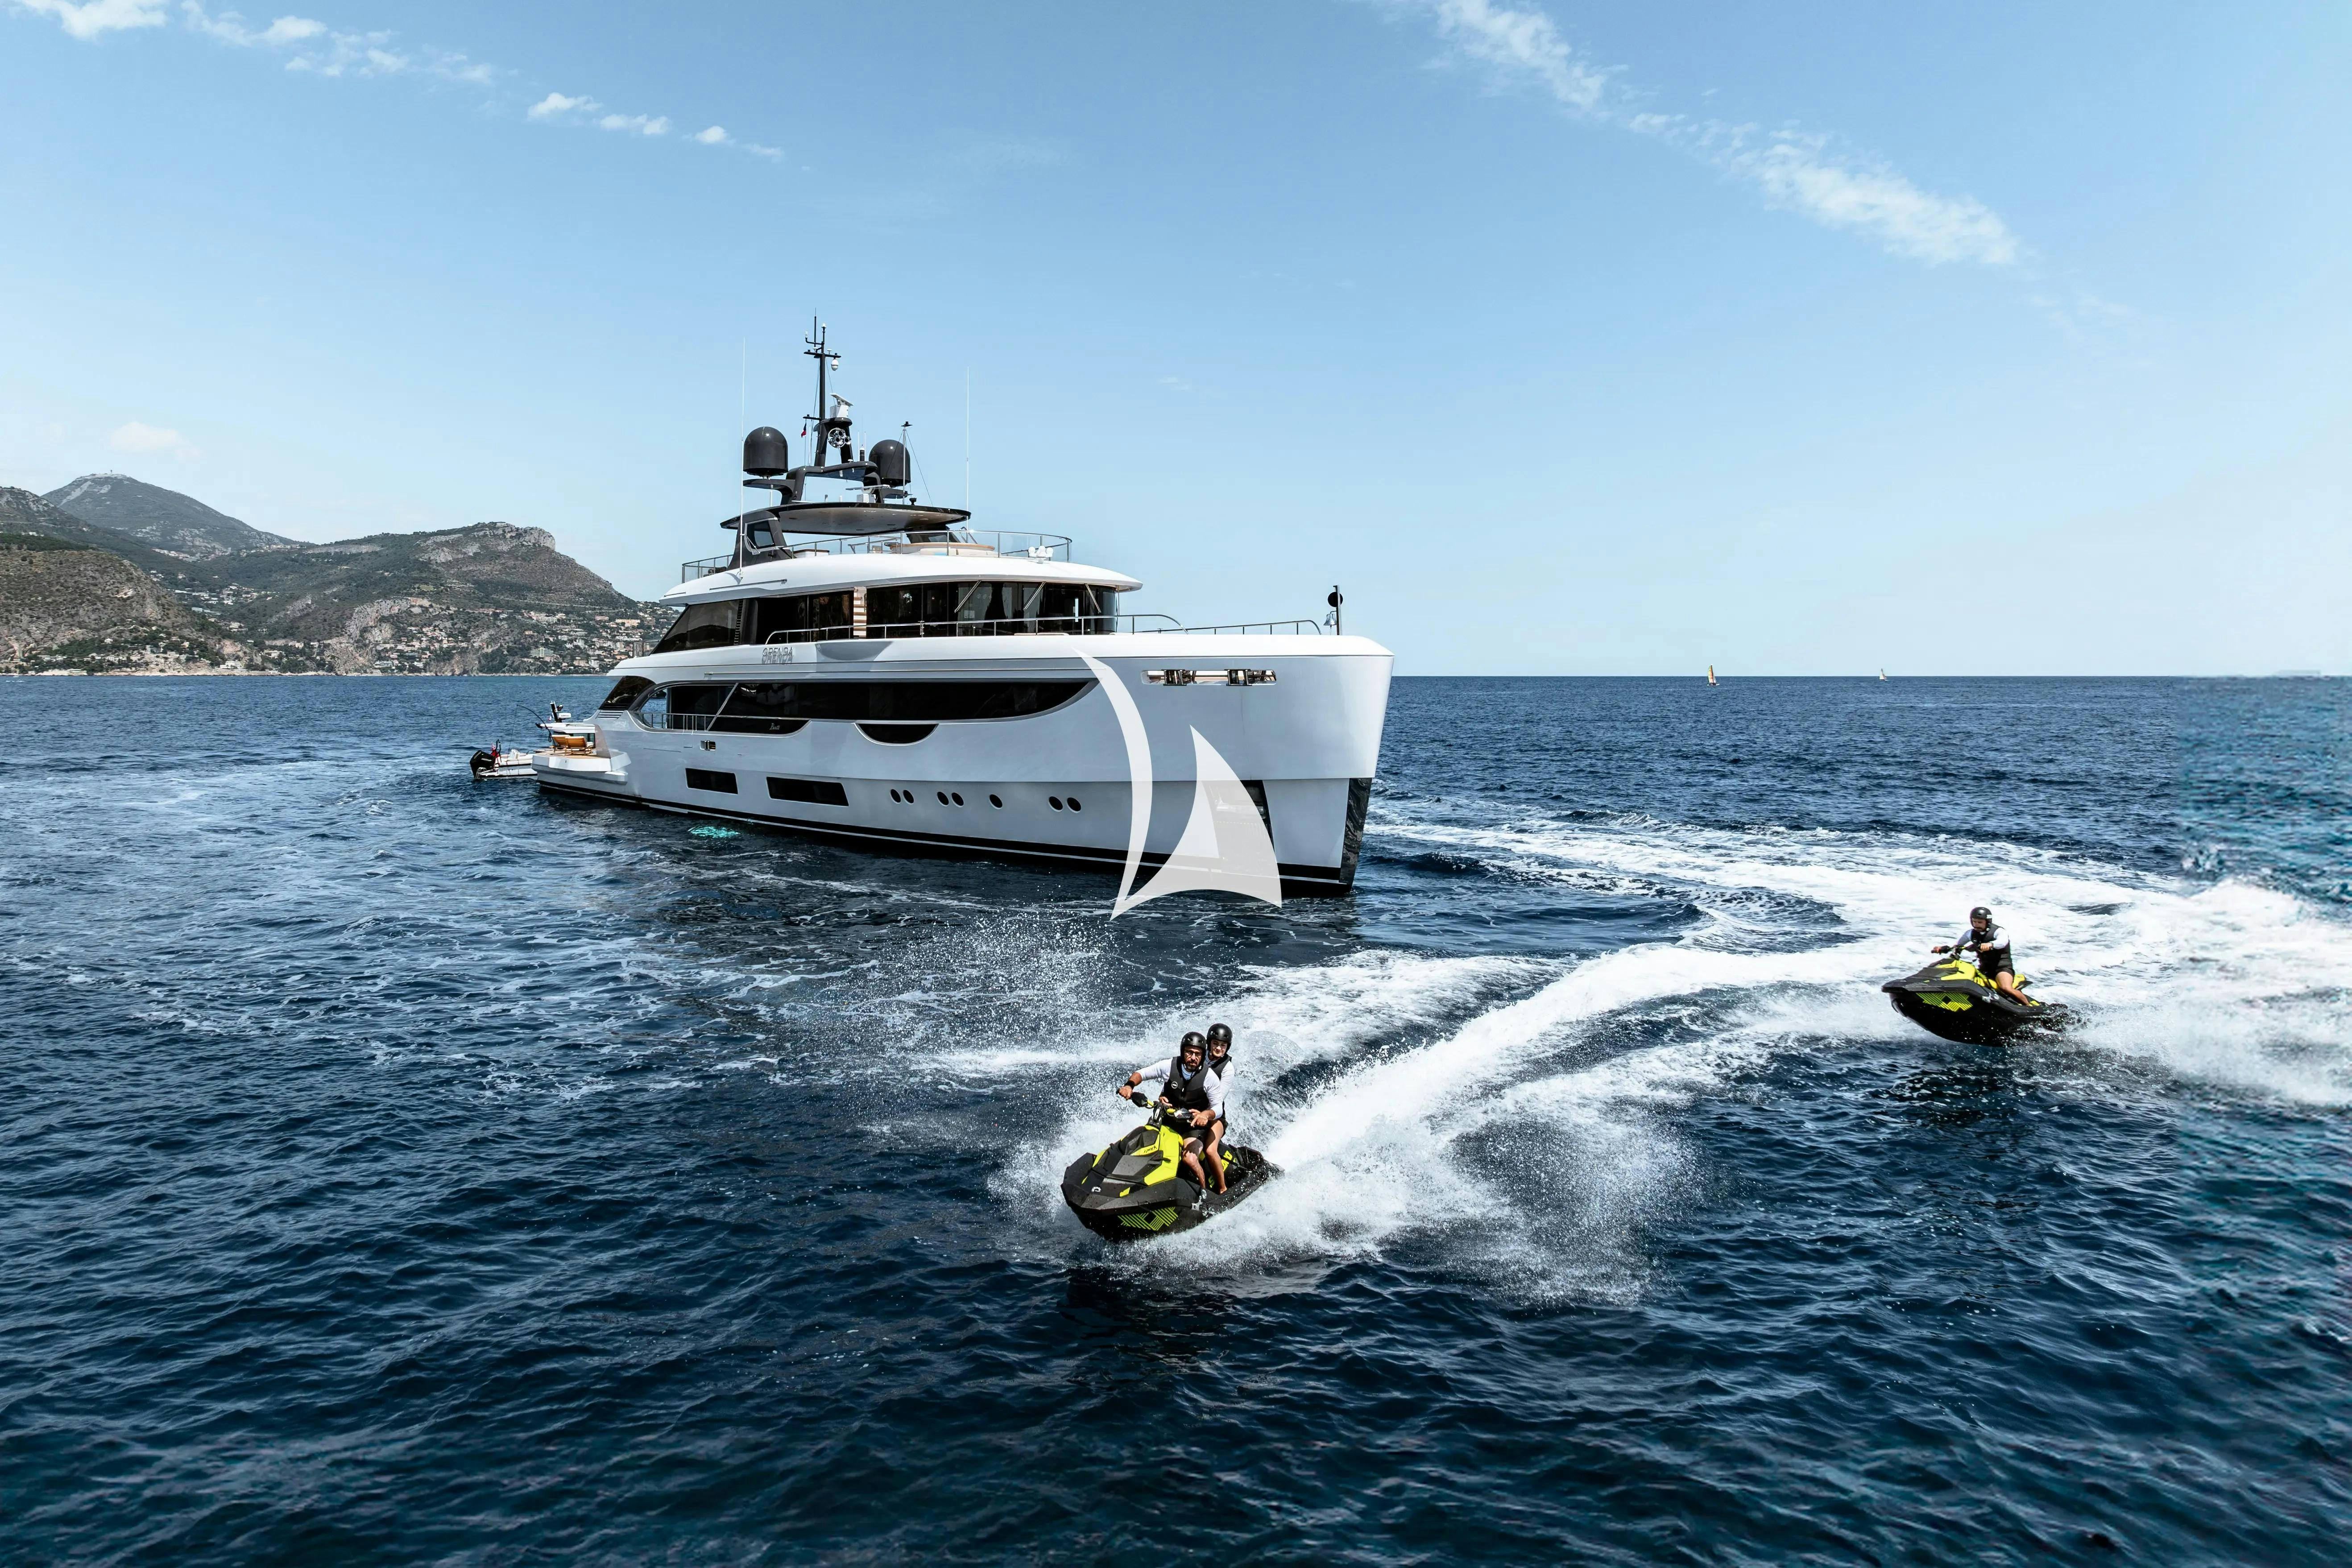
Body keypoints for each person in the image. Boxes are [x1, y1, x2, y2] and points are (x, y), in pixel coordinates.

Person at [1118, 1031, 1217, 1192]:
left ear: (1203, 1055)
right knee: (1145, 1147)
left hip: (1192, 1128)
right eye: (1189, 1053)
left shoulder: (1210, 1077)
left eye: (1197, 1054)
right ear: (1182, 1052)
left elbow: (1218, 1107)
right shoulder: (1170, 1066)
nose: (1193, 1057)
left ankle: (1204, 1193)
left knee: (1190, 1159)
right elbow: (1142, 1074)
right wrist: (1129, 1085)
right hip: (1167, 1121)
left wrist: (1205, 1115)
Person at [1934, 906, 2029, 1005]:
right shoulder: (1971, 934)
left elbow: (2003, 942)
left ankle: (2028, 1007)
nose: (1976, 925)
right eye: (1974, 922)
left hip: (2001, 968)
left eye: (1980, 922)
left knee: (2005, 988)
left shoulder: (1999, 932)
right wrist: (1942, 948)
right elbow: (1958, 944)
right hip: (1984, 969)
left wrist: (1991, 945)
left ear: (1987, 922)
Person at [1200, 1023, 1237, 1193]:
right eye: (1216, 1044)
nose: (1219, 1048)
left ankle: (1222, 1189)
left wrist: (1204, 1114)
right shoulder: (1198, 1057)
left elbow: (1218, 1100)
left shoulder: (1228, 1068)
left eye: (1223, 1046)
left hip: (1215, 1116)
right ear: (1209, 1043)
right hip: (1191, 1112)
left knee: (1209, 1149)